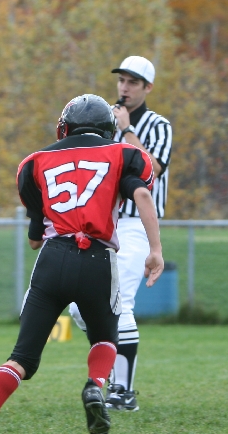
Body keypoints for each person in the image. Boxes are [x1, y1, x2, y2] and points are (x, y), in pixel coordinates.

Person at [0, 94, 162, 434]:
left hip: (53, 259)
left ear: (66, 127)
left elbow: (35, 239)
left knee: (22, 357)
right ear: (107, 128)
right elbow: (143, 196)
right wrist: (155, 250)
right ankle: (94, 386)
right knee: (105, 338)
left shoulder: (36, 162)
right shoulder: (121, 154)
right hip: (97, 258)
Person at [70, 55, 172, 413]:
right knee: (79, 306)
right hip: (102, 222)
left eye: (132, 82)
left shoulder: (157, 125)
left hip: (135, 223)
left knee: (120, 302)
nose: (124, 88)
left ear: (148, 87)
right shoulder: (104, 120)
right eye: (121, 80)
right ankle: (114, 371)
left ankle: (123, 391)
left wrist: (127, 130)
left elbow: (151, 169)